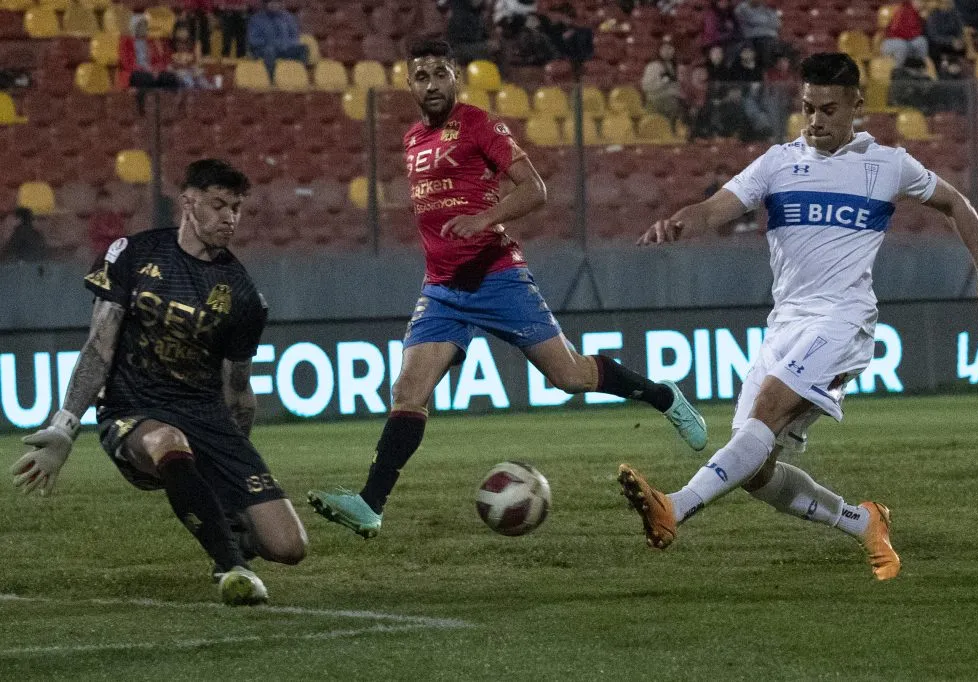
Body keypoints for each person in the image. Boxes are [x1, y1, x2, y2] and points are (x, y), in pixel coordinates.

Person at [620, 53, 978, 580]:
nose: (816, 120)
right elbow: (714, 207)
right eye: (807, 108)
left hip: (844, 320)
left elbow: (957, 204)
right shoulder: (778, 162)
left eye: (828, 108)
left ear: (855, 104)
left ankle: (676, 506)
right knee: (755, 471)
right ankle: (863, 521)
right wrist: (679, 222)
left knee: (769, 408)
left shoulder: (888, 164)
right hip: (787, 322)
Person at [307, 39, 708, 539]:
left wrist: (483, 219)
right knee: (408, 392)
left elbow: (535, 189)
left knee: (571, 377)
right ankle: (370, 504)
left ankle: (662, 396)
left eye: (439, 73)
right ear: (408, 84)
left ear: (455, 76)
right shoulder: (412, 139)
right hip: (442, 289)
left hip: (498, 276)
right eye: (420, 76)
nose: (430, 84)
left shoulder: (478, 124)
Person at [10, 159, 308, 605]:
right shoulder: (132, 254)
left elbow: (239, 390)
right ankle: (232, 569)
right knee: (167, 440)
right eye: (218, 205)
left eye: (237, 208)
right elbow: (98, 348)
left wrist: (231, 462)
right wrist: (64, 425)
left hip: (207, 417)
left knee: (289, 547)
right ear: (188, 203)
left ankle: (224, 526)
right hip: (134, 411)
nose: (229, 217)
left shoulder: (244, 295)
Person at [247, 0, 308, 80]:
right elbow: (253, 40)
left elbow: (295, 38)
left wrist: (285, 45)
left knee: (303, 49)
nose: (274, 5)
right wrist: (271, 44)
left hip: (284, 48)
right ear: (266, 4)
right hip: (264, 49)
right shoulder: (256, 19)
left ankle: (299, 77)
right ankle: (271, 79)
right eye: (271, 2)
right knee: (270, 51)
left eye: (276, 2)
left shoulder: (288, 18)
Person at [642, 42, 688, 130]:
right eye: (665, 49)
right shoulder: (653, 66)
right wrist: (663, 82)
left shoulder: (675, 66)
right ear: (659, 51)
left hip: (673, 99)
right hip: (657, 100)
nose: (667, 51)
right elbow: (646, 87)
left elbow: (679, 86)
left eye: (670, 49)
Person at [880, 0, 929, 68]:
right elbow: (896, 31)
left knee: (921, 42)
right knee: (902, 46)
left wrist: (923, 19)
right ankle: (897, 70)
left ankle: (919, 68)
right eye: (918, 1)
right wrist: (911, 36)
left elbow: (919, 32)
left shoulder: (918, 14)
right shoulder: (902, 10)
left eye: (922, 2)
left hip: (908, 40)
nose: (921, 4)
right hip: (890, 41)